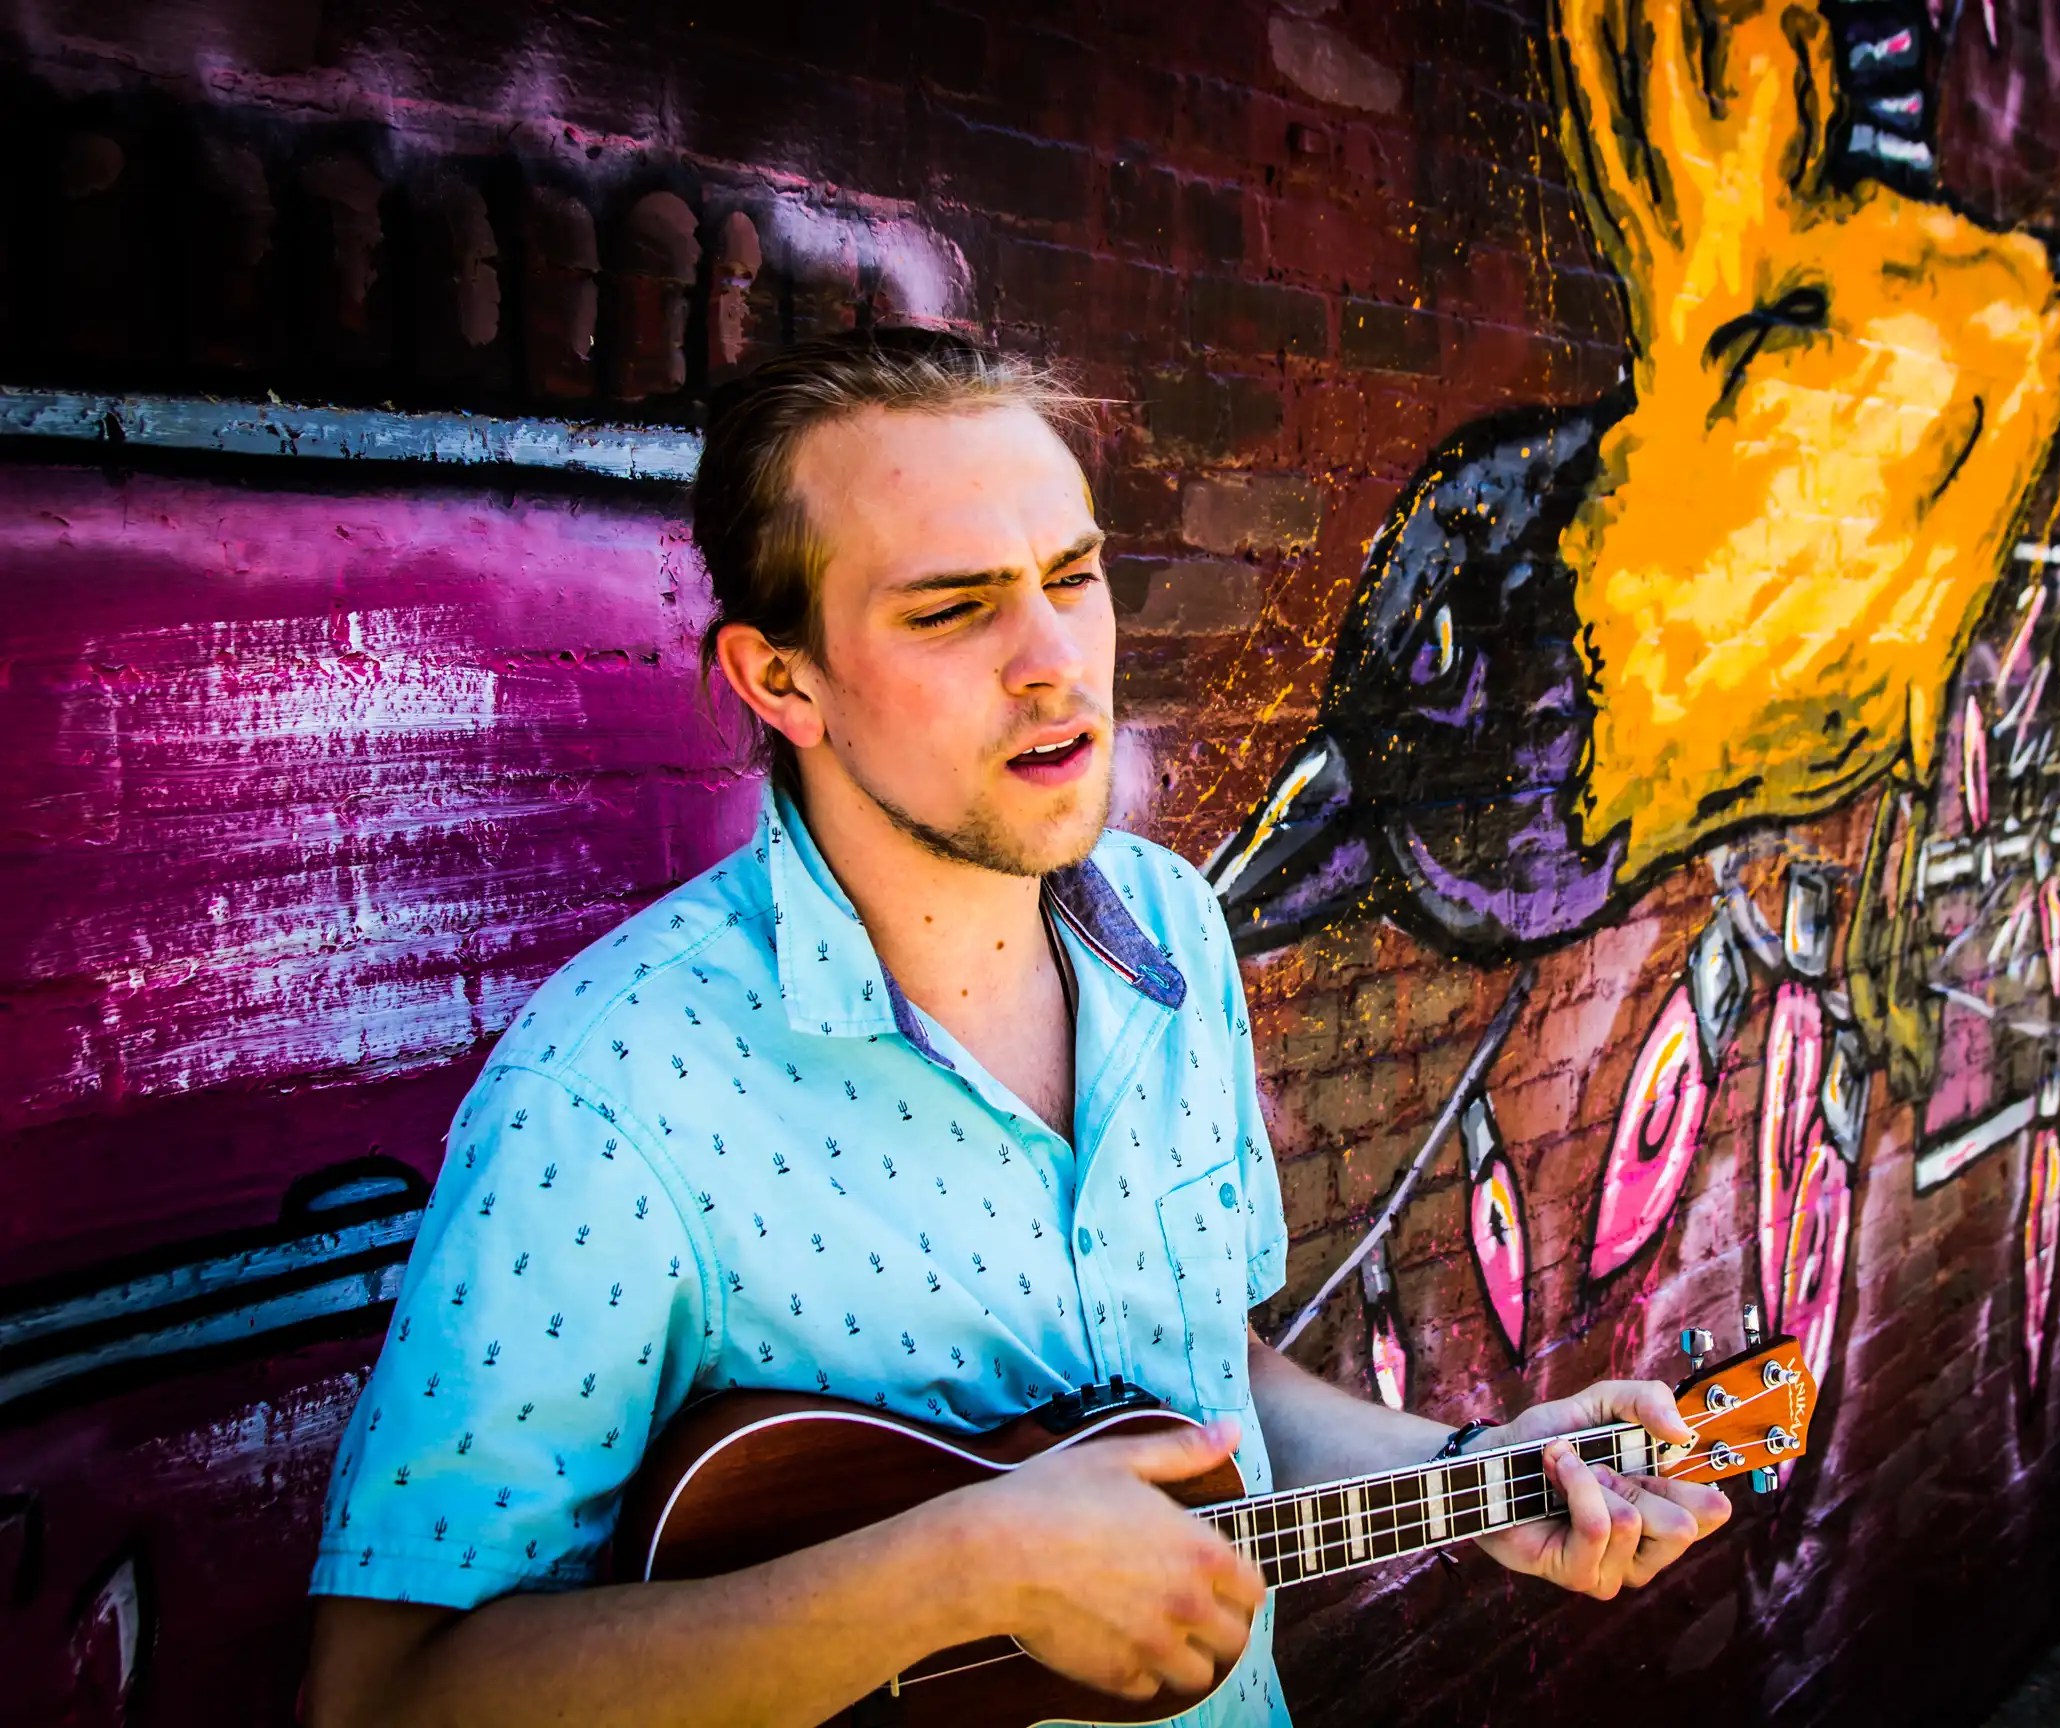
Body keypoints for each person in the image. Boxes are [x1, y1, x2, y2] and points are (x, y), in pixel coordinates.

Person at [302, 327, 1732, 1728]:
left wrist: (1472, 1468)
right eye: (951, 608)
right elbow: (383, 1701)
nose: (1055, 661)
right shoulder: (610, 1093)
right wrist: (953, 1571)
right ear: (778, 680)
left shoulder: (1172, 932)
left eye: (1073, 577)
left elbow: (1209, 1387)